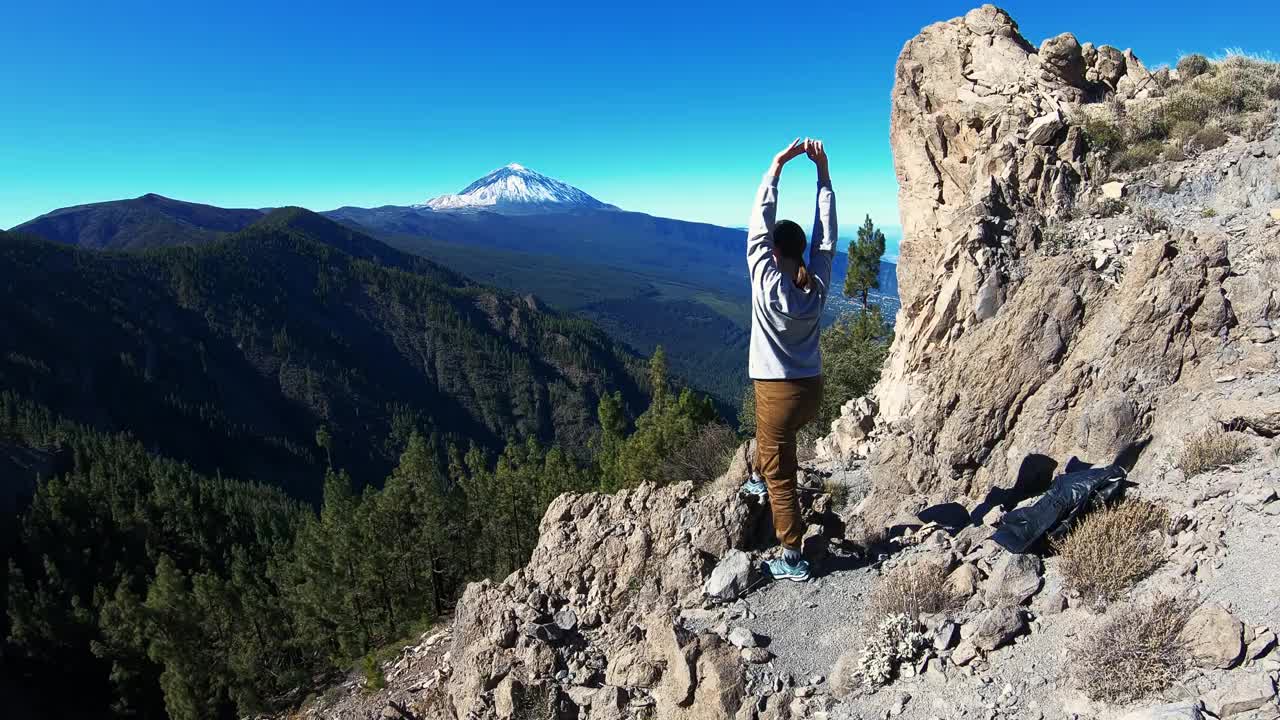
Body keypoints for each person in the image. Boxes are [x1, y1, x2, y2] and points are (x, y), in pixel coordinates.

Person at [739, 137, 836, 582]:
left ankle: (792, 556)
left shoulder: (765, 280)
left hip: (776, 390)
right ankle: (759, 475)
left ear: (775, 252)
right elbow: (827, 237)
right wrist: (823, 176)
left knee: (782, 475)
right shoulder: (816, 284)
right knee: (773, 440)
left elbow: (758, 226)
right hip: (811, 389)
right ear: (803, 251)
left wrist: (776, 168)